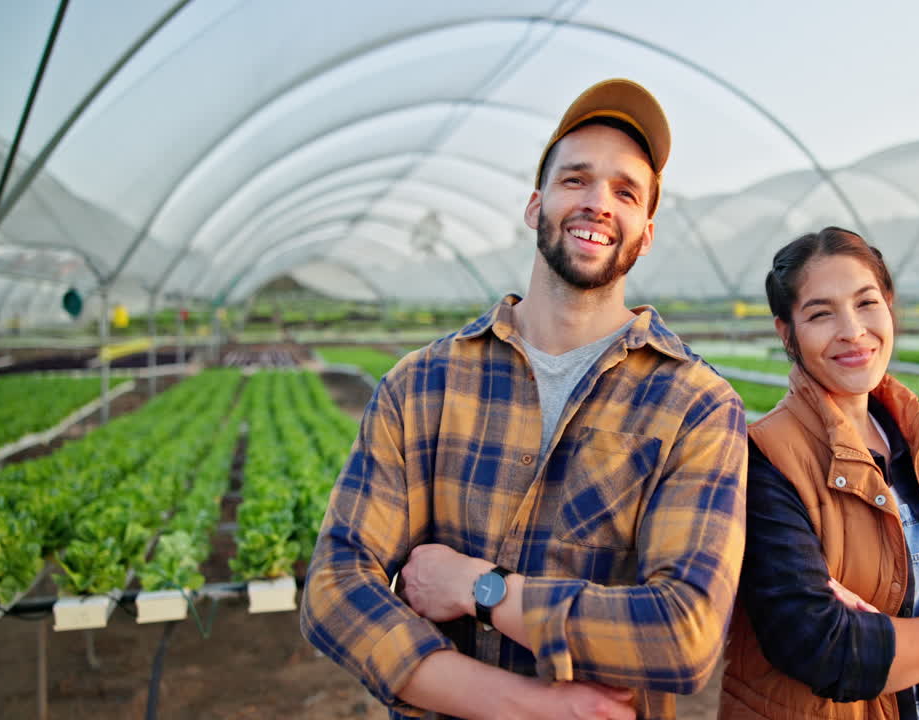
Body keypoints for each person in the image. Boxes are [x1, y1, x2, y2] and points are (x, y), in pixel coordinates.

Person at [301, 79, 748, 720]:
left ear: (646, 234)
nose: (598, 203)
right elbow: (335, 586)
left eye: (625, 192)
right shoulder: (421, 384)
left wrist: (477, 590)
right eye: (575, 181)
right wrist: (525, 703)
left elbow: (683, 632)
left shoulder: (694, 405)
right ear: (535, 205)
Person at [719, 227, 919, 720]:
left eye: (867, 303)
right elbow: (822, 649)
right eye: (821, 313)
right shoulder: (765, 458)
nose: (852, 330)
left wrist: (887, 645)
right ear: (787, 333)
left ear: (889, 305)